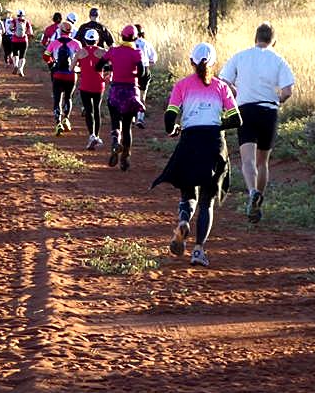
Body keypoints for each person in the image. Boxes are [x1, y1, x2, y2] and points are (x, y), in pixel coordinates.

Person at [151, 42, 241, 268]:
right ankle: (199, 250)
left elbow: (170, 116)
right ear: (214, 63)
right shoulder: (222, 87)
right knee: (207, 201)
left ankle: (183, 220)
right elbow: (236, 119)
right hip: (213, 144)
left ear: (191, 62)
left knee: (188, 194)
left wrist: (173, 129)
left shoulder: (182, 85)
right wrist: (217, 126)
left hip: (190, 142)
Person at [219, 21, 295, 223]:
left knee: (248, 160)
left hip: (246, 110)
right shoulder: (278, 60)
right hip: (268, 112)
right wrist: (278, 100)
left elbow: (223, 81)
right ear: (273, 40)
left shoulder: (240, 56)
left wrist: (235, 93)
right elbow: (287, 91)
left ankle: (252, 192)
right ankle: (258, 199)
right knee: (263, 162)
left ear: (255, 38)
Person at [101, 24, 145, 171]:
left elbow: (99, 65)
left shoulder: (113, 51)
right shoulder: (137, 53)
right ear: (135, 37)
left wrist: (111, 70)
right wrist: (133, 75)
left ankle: (115, 141)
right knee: (127, 127)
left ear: (121, 36)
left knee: (115, 121)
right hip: (131, 92)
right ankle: (125, 157)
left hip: (116, 90)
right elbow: (142, 73)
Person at [43, 20, 81, 135]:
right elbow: (81, 58)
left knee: (57, 98)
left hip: (58, 74)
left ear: (60, 30)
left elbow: (46, 56)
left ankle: (58, 122)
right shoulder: (76, 43)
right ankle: (66, 118)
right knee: (68, 97)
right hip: (71, 74)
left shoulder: (54, 43)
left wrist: (51, 65)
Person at [75, 29, 109, 149]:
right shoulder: (103, 52)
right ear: (97, 40)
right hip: (99, 85)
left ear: (85, 40)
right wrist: (108, 76)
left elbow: (72, 67)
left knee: (88, 111)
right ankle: (97, 135)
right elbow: (112, 66)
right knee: (97, 110)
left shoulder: (80, 52)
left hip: (85, 84)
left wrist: (81, 70)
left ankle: (92, 135)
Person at [134, 23, 157, 128]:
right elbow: (153, 59)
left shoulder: (131, 43)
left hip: (133, 70)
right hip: (145, 68)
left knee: (133, 94)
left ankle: (132, 117)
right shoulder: (147, 44)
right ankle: (140, 118)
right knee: (142, 96)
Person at [9, 10, 33, 76]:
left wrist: (14, 30)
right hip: (24, 41)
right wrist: (29, 34)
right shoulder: (26, 22)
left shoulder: (14, 21)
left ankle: (16, 65)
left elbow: (10, 28)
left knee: (15, 54)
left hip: (15, 40)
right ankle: (21, 70)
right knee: (22, 56)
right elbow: (30, 32)